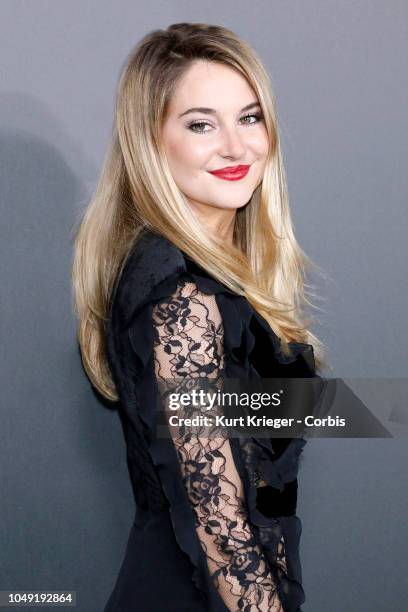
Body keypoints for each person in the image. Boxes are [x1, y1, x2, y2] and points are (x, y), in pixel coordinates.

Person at [72, 22, 326, 612]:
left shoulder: (210, 280)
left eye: (250, 117)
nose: (238, 148)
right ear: (150, 141)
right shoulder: (181, 296)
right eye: (201, 124)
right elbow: (222, 527)